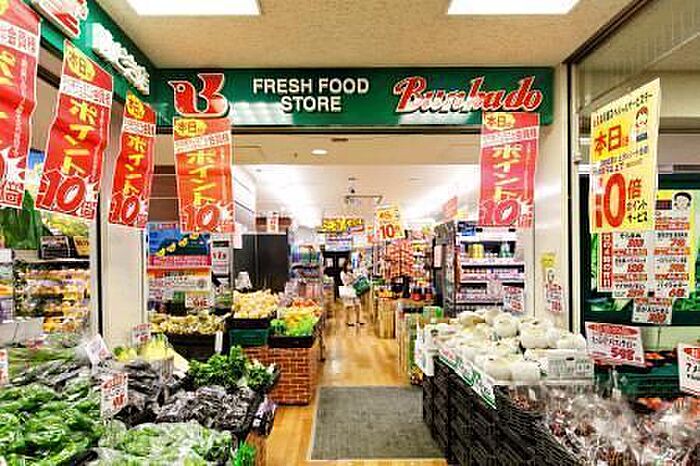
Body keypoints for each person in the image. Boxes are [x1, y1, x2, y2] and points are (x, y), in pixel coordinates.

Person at [340, 262, 364, 326]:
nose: (349, 266)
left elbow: (356, 279)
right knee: (348, 306)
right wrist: (351, 279)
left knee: (358, 305)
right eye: (348, 265)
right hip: (348, 290)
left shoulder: (352, 272)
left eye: (350, 265)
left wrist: (354, 277)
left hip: (355, 289)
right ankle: (348, 321)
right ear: (345, 266)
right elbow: (345, 282)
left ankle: (358, 320)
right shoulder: (343, 273)